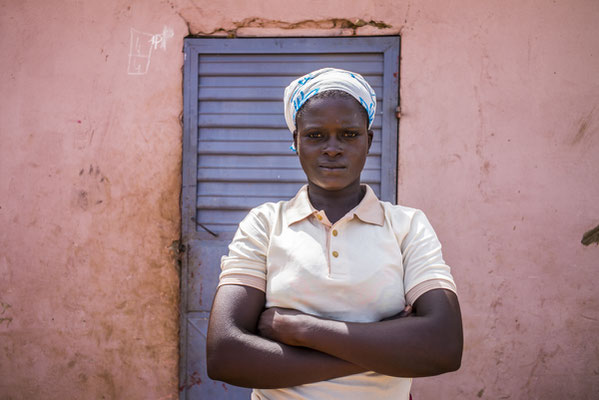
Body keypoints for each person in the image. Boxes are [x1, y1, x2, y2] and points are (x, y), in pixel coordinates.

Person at [206, 68, 463, 399]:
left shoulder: (407, 226)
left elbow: (444, 347)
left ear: (368, 141)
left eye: (349, 134)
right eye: (315, 135)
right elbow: (225, 355)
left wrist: (300, 329)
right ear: (295, 141)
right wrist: (386, 348)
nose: (332, 148)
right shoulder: (265, 224)